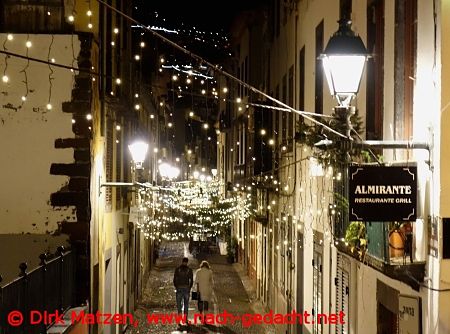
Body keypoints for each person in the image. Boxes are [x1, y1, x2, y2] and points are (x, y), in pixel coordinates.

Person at [173, 257, 193, 323]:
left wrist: (176, 286)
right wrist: (189, 288)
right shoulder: (189, 270)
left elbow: (174, 279)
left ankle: (179, 317)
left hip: (179, 288)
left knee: (179, 304)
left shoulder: (177, 269)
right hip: (186, 288)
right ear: (187, 262)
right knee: (186, 304)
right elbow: (191, 280)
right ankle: (185, 318)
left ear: (182, 261)